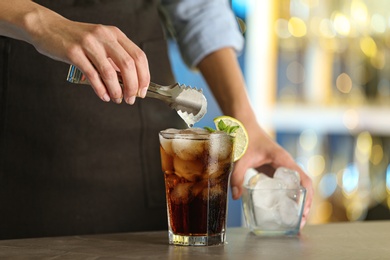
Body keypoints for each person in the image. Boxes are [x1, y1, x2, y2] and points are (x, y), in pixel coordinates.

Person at [0, 0, 313, 239]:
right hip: (18, 118)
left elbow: (200, 8)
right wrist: (36, 20)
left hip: (141, 130)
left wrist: (247, 122)